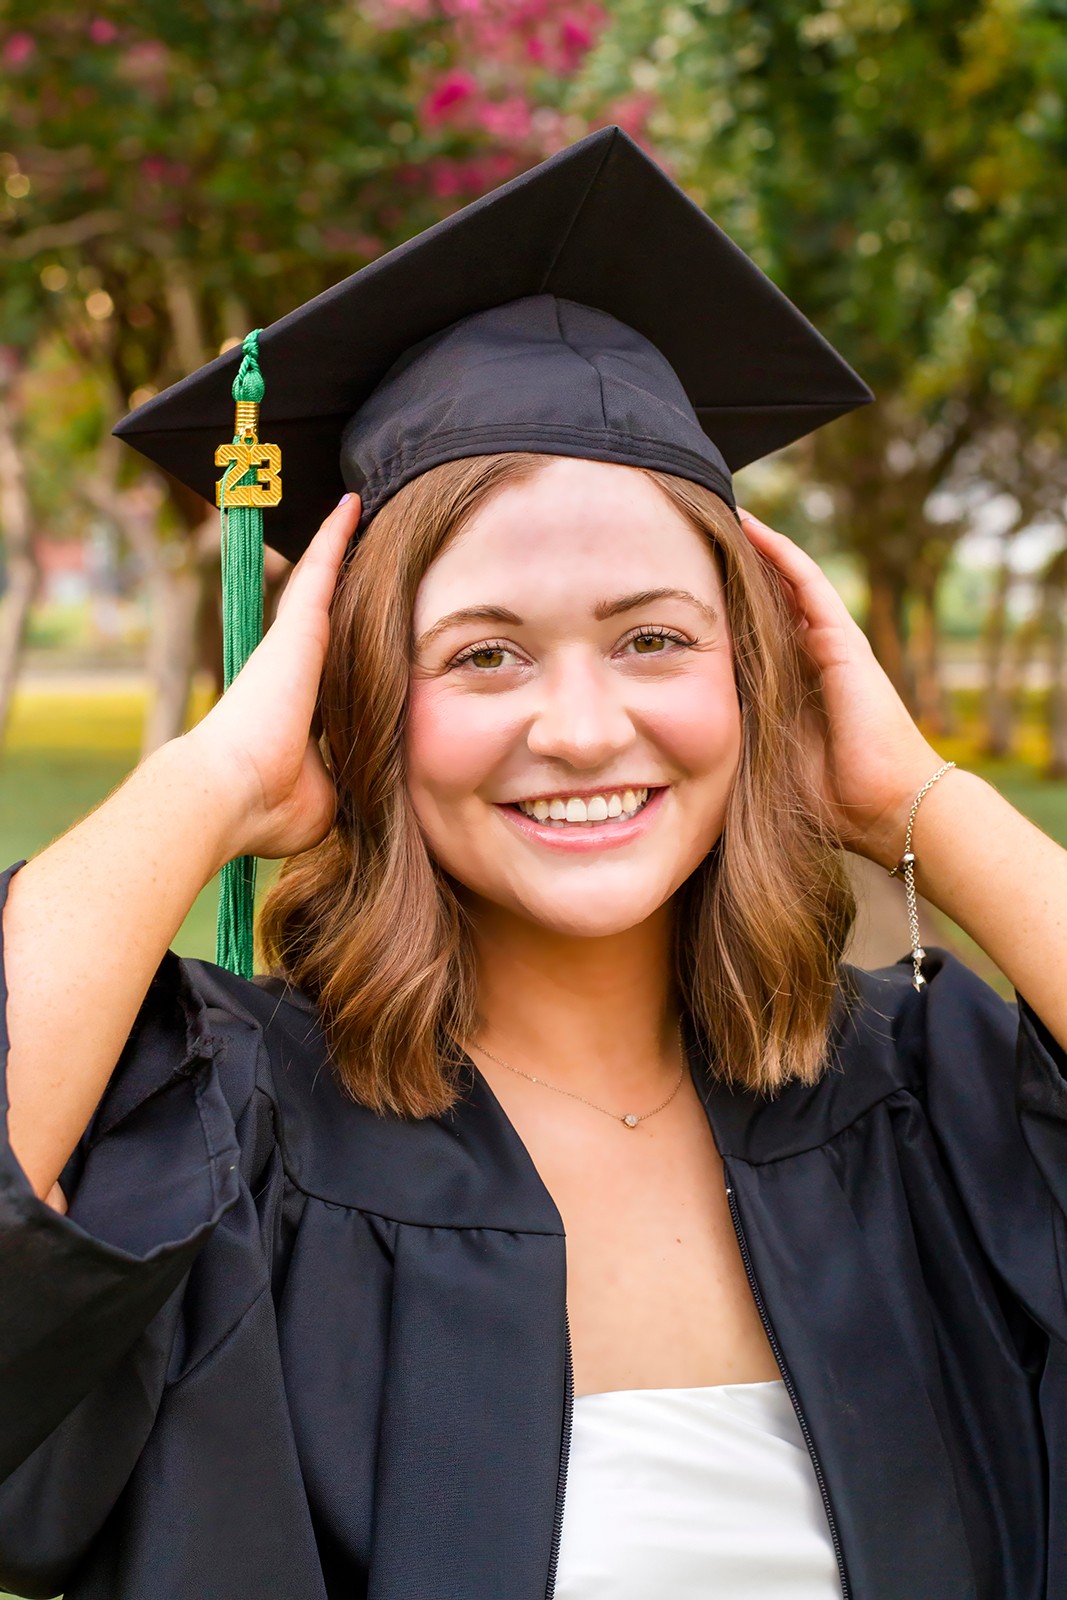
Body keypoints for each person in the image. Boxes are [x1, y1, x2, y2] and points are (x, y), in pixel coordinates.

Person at [2, 128, 1067, 1600]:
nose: (581, 727)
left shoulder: (922, 1094)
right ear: (364, 699)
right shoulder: (235, 1136)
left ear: (755, 674)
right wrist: (216, 777)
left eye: (655, 638)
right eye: (483, 654)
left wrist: (920, 794)